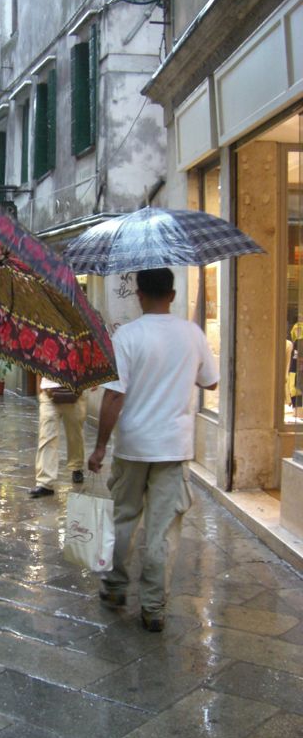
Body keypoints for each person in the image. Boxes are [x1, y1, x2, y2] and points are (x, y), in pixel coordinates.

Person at [88, 268, 218, 632]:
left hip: (132, 446)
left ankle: (114, 588)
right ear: (173, 296)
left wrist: (100, 446)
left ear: (139, 294)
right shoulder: (192, 334)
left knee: (124, 519)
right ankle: (153, 607)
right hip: (173, 449)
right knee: (163, 530)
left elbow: (114, 395)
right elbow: (211, 379)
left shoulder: (127, 336)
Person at [29, 375, 87, 498]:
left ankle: (77, 466)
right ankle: (45, 483)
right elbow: (38, 365)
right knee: (46, 436)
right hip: (48, 393)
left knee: (75, 435)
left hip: (75, 393)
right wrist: (40, 389)